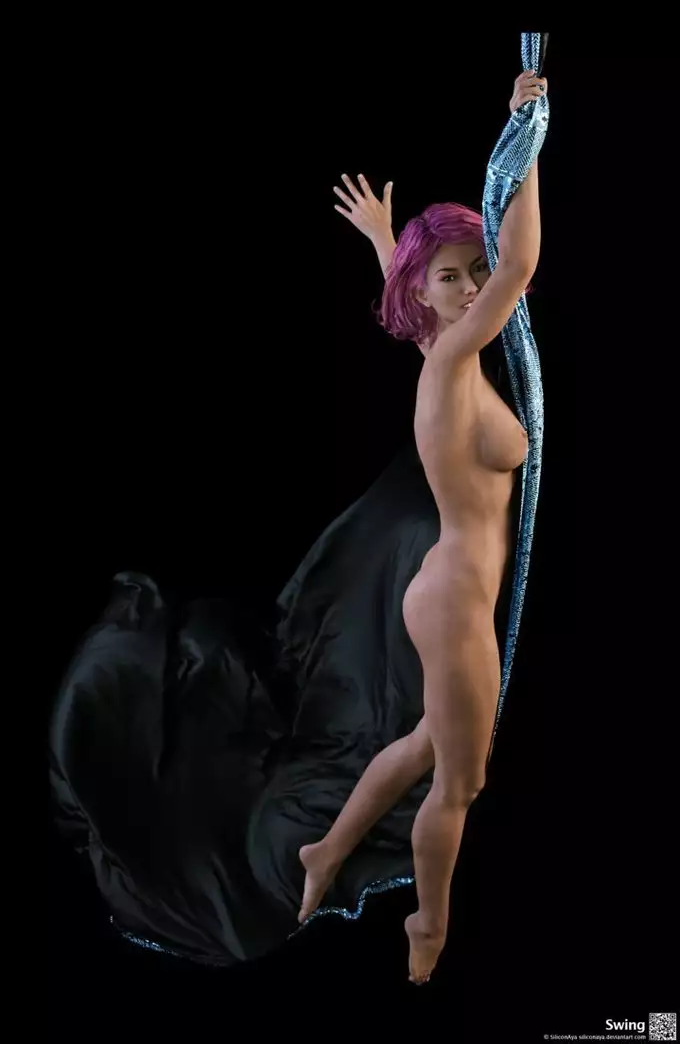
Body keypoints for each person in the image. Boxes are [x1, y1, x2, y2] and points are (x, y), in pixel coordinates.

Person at [298, 68, 547, 985]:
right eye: (453, 277)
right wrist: (529, 135)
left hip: (450, 590)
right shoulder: (449, 362)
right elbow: (519, 267)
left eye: (473, 271)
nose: (474, 288)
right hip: (452, 605)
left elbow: (441, 292)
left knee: (424, 748)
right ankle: (428, 928)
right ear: (429, 292)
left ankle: (326, 850)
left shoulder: (440, 348)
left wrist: (384, 239)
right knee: (460, 782)